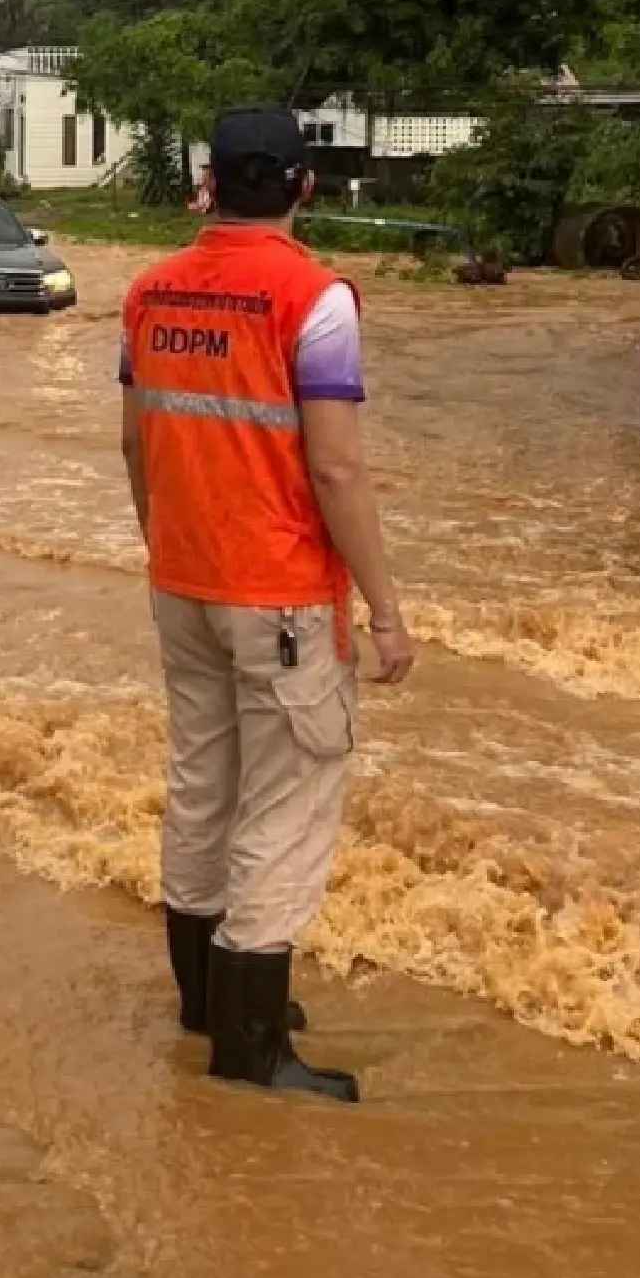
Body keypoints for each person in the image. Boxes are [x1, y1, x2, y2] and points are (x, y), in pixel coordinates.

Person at [119, 107, 415, 1105]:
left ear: (207, 182)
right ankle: (249, 1047)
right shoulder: (314, 298)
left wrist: (161, 545)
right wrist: (383, 607)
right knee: (285, 804)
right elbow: (333, 465)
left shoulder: (147, 292)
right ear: (303, 187)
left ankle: (205, 999)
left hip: (181, 581)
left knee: (202, 781)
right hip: (279, 595)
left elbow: (135, 444)